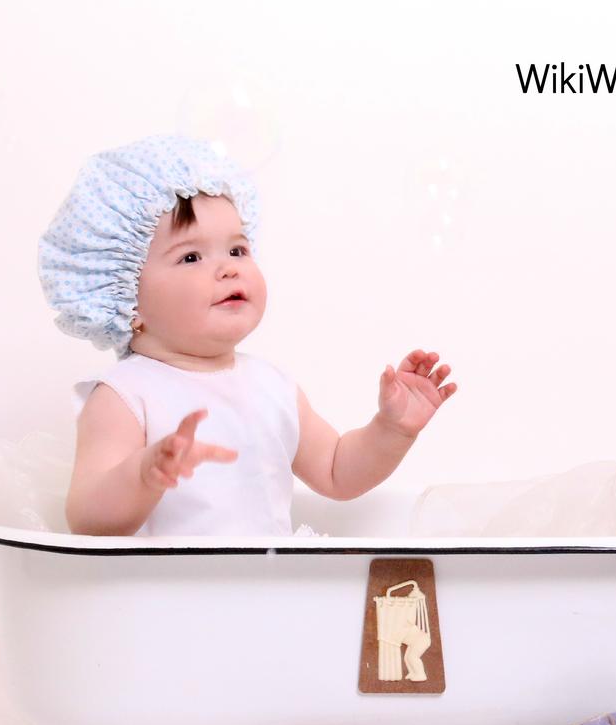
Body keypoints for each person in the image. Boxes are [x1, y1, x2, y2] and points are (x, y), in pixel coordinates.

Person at [38, 134, 456, 536]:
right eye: (191, 256)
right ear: (126, 298)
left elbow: (336, 472)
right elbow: (87, 518)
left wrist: (391, 430)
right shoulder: (125, 395)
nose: (229, 268)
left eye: (237, 250)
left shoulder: (273, 386)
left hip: (264, 581)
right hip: (172, 585)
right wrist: (143, 473)